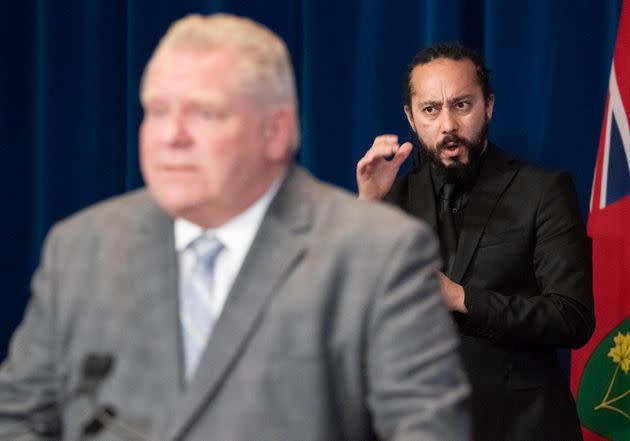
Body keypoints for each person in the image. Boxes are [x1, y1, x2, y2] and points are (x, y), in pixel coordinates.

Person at [0, 14, 470, 441]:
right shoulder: (80, 247)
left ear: (276, 130)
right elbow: (16, 417)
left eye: (205, 113)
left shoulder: (376, 254)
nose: (171, 136)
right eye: (157, 111)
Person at [356, 43, 595, 441]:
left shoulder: (543, 190)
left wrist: (460, 298)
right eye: (431, 109)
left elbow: (571, 318)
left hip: (524, 427)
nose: (447, 124)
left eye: (462, 105)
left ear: (488, 105)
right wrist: (367, 209)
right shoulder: (389, 198)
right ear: (411, 119)